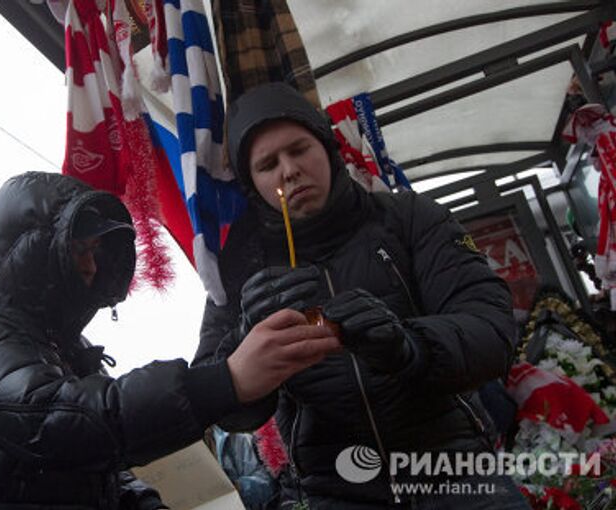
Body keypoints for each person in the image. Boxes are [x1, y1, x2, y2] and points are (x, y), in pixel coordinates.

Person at [0, 171, 340, 509]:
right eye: (78, 249)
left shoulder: (68, 349)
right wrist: (224, 381)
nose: (92, 267)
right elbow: (49, 422)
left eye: (97, 251)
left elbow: (99, 467)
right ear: (36, 251)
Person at [193, 82, 529, 508]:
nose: (289, 171)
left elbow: (491, 327)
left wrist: (410, 346)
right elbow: (217, 398)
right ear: (252, 184)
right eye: (267, 164)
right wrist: (247, 339)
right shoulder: (240, 271)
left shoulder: (409, 218)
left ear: (328, 148)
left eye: (299, 149)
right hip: (335, 491)